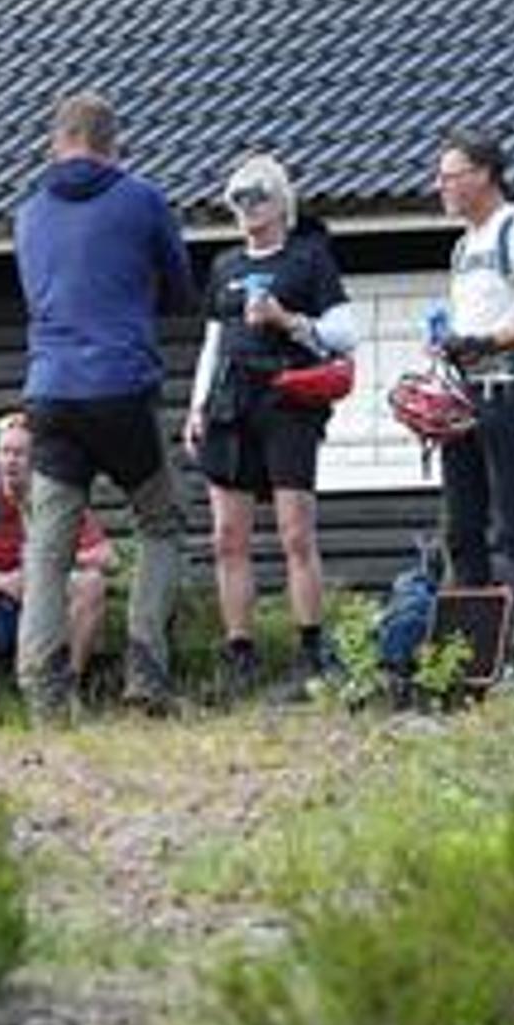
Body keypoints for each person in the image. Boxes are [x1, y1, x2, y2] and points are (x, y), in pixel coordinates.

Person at [10, 92, 194, 716]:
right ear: (115, 143)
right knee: (161, 519)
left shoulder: (29, 212)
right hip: (119, 385)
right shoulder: (141, 200)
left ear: (56, 141)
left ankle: (43, 693)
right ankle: (146, 673)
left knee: (47, 549)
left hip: (50, 391)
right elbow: (180, 288)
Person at [181, 152, 356, 696]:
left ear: (282, 202)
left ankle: (311, 648)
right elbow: (213, 341)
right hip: (230, 405)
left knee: (295, 533)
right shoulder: (225, 267)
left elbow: (343, 334)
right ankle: (240, 653)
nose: (247, 210)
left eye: (257, 198)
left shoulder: (310, 259)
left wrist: (287, 320)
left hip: (287, 403)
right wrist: (197, 405)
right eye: (237, 200)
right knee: (227, 537)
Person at [428, 128, 514, 675]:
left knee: (513, 525)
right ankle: (472, 657)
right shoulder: (464, 245)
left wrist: (485, 343)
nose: (440, 185)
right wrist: (451, 346)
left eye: (451, 174)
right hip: (466, 395)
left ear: (484, 174)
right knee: (462, 527)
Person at [0, 413, 110, 700]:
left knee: (91, 585)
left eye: (20, 453)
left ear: (37, 460)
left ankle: (69, 686)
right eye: (5, 452)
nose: (11, 461)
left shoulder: (57, 499)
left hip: (46, 602)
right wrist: (1, 582)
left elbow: (104, 555)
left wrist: (52, 561)